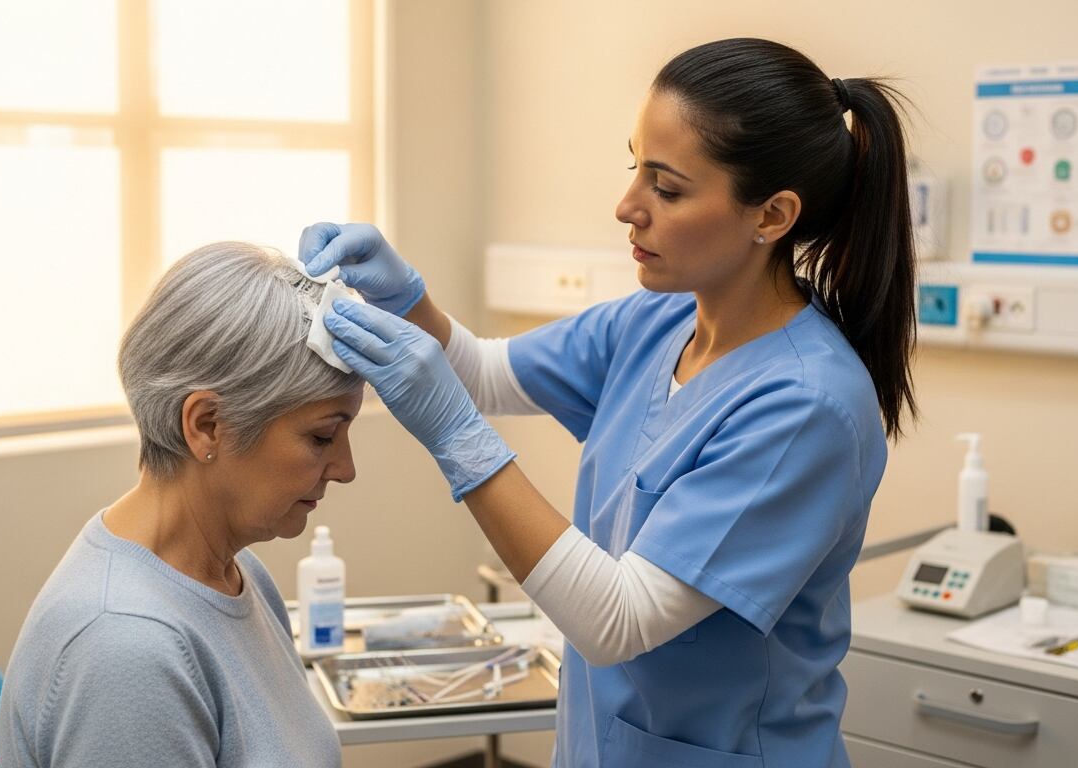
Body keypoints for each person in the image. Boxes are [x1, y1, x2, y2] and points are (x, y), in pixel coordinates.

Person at [306, 37, 916, 767]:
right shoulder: (658, 320)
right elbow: (484, 373)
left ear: (772, 215)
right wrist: (406, 297)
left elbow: (620, 620)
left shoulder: (805, 407)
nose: (628, 207)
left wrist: (458, 438)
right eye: (636, 168)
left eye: (668, 187)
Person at [0, 242, 360, 768]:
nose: (346, 469)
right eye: (323, 438)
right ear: (206, 425)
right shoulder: (125, 649)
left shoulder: (242, 576)